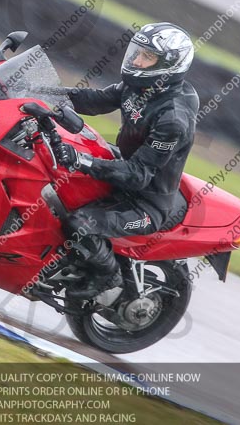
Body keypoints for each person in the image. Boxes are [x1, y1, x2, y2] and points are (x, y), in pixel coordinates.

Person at [53, 22, 199, 299]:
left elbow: (138, 175)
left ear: (168, 65)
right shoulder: (141, 87)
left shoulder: (172, 119)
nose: (136, 60)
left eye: (147, 56)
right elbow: (95, 100)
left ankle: (108, 278)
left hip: (145, 203)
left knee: (80, 223)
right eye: (137, 52)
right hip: (121, 172)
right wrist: (46, 93)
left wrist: (82, 161)